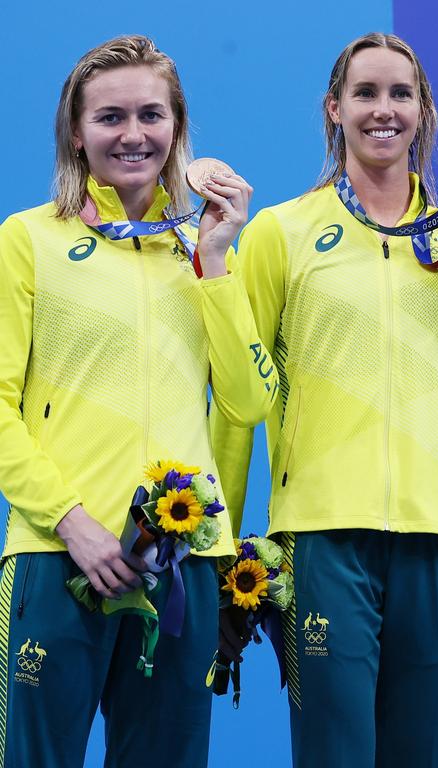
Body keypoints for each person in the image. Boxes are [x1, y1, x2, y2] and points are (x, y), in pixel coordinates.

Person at [209, 32, 438, 768]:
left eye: (400, 94)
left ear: (424, 111)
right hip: (323, 539)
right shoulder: (282, 233)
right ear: (334, 108)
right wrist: (215, 547)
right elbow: (238, 399)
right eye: (367, 93)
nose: (384, 110)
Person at [0, 34, 275, 767]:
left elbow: (249, 400)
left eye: (151, 116)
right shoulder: (28, 240)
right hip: (59, 556)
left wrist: (215, 262)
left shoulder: (205, 247)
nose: (132, 135)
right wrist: (72, 523)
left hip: (180, 565)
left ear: (178, 131)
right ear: (76, 132)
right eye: (110, 117)